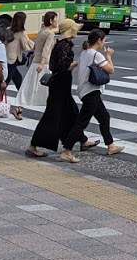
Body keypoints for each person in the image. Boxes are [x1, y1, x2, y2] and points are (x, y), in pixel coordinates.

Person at [59, 30, 123, 163]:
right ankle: (67, 150)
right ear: (99, 40)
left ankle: (110, 145)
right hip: (90, 92)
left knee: (104, 116)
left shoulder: (84, 53)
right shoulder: (96, 55)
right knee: (82, 122)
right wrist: (108, 55)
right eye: (103, 40)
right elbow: (111, 70)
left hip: (86, 91)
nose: (104, 42)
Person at [27, 19, 79, 158]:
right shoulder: (64, 46)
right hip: (60, 84)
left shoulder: (63, 44)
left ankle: (76, 141)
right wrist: (74, 64)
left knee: (69, 114)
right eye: (75, 28)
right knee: (53, 115)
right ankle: (33, 145)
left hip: (61, 84)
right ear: (70, 30)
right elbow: (61, 66)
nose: (77, 30)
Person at [16, 11, 58, 113]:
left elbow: (35, 47)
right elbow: (46, 49)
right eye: (56, 19)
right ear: (51, 21)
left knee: (29, 86)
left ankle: (19, 108)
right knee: (47, 88)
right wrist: (42, 63)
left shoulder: (41, 31)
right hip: (44, 64)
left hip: (35, 61)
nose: (57, 22)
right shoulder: (50, 33)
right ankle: (52, 110)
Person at [4, 12, 33, 119]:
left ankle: (19, 109)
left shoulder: (8, 29)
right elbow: (27, 45)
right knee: (6, 84)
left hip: (7, 59)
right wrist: (38, 47)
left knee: (19, 83)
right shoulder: (21, 33)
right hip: (13, 60)